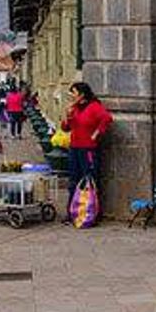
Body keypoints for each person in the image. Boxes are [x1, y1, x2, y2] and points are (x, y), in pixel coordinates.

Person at [61, 82, 113, 217]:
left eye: (74, 93)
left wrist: (96, 134)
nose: (71, 96)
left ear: (82, 95)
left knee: (89, 179)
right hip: (74, 148)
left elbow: (107, 118)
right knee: (73, 179)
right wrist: (68, 116)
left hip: (88, 149)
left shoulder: (94, 107)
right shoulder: (74, 108)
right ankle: (72, 211)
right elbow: (66, 128)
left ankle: (91, 212)